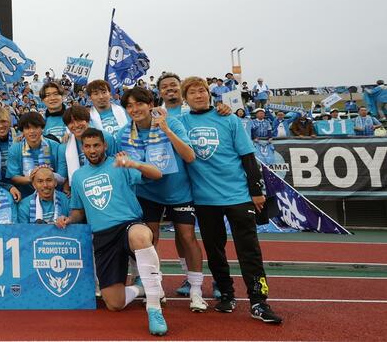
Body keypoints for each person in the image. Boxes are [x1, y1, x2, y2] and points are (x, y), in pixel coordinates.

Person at [179, 76, 283, 324]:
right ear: (186, 99)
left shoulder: (229, 118)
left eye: (202, 91)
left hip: (238, 196)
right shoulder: (180, 122)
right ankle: (226, 294)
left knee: (249, 251)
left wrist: (256, 191)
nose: (199, 95)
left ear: (209, 93)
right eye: (192, 92)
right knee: (215, 251)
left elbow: (248, 157)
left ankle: (259, 301)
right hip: (204, 200)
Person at [68, 128, 167, 336]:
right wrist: (68, 219)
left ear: (105, 145)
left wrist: (134, 163)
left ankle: (154, 308)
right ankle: (142, 287)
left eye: (96, 145)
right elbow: (78, 211)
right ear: (82, 148)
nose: (92, 150)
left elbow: (157, 174)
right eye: (87, 146)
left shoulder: (120, 163)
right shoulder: (78, 177)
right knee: (114, 303)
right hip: (103, 237)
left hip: (128, 225)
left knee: (140, 235)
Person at [117, 87, 206, 312]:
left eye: (139, 104)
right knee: (149, 238)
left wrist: (166, 129)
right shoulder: (124, 133)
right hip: (147, 192)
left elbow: (189, 156)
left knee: (187, 237)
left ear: (150, 104)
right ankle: (155, 287)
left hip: (178, 191)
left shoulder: (172, 123)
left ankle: (195, 290)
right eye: (129, 105)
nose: (134, 109)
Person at [7, 112, 67, 198]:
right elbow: (14, 177)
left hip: (54, 195)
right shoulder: (15, 149)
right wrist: (31, 178)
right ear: (22, 131)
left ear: (42, 128)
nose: (32, 131)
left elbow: (62, 177)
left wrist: (44, 175)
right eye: (27, 128)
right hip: (26, 196)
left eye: (35, 127)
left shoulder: (56, 146)